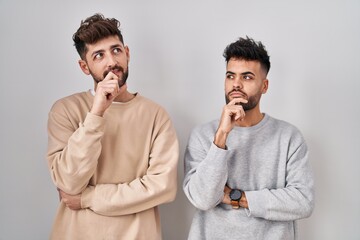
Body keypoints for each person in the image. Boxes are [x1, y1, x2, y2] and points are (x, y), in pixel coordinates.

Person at [46, 13, 179, 240]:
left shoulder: (156, 115)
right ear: (84, 66)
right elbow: (68, 181)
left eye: (116, 50)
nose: (111, 61)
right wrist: (96, 113)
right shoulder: (65, 110)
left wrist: (88, 198)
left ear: (127, 53)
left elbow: (163, 187)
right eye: (99, 55)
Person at [183, 36, 314, 240]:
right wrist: (221, 136)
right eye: (230, 76)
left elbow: (303, 201)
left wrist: (238, 197)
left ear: (264, 86)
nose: (236, 84)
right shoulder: (203, 135)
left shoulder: (289, 137)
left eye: (247, 77)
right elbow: (202, 198)